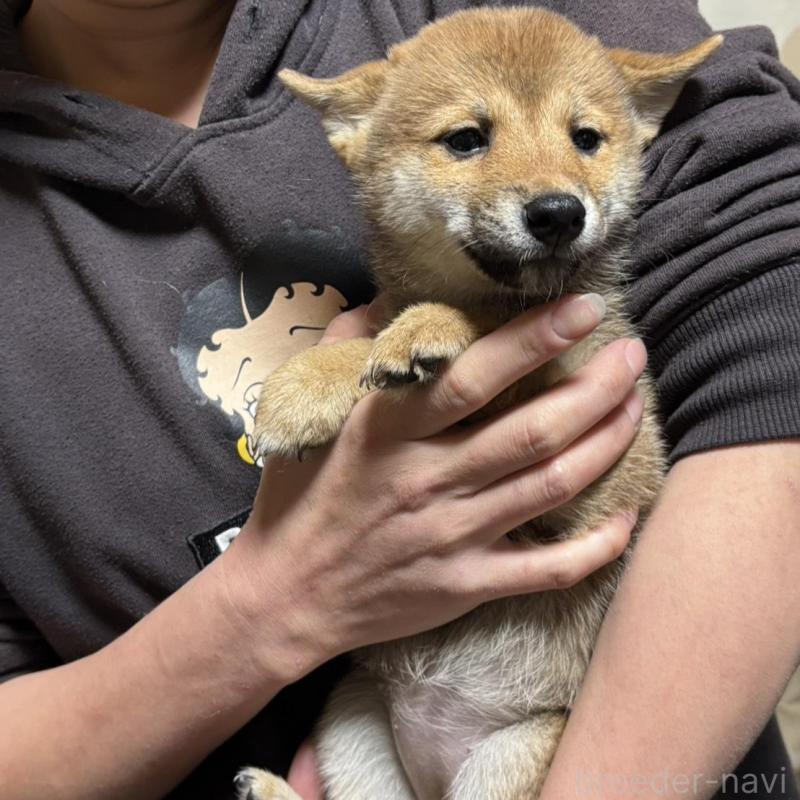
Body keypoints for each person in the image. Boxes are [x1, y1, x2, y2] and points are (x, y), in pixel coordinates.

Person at [0, 1, 798, 799]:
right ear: (355, 132)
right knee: (356, 726)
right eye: (467, 140)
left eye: (586, 139)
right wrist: (269, 603)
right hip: (381, 712)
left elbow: (774, 308)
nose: (551, 185)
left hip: (565, 721)